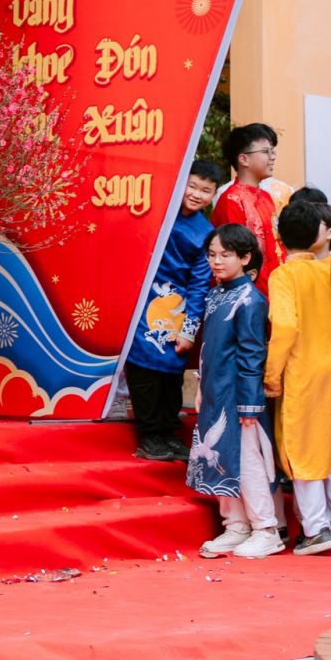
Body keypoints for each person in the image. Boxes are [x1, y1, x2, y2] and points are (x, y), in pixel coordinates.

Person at [264, 201, 331, 555]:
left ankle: (316, 529)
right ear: (318, 235)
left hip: (304, 369)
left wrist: (272, 375)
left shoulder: (284, 275)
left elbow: (286, 328)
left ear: (279, 237)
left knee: (304, 447)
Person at [189, 224, 282, 559]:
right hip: (214, 391)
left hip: (238, 395)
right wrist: (201, 386)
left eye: (226, 255)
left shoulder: (251, 300)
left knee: (247, 461)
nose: (217, 261)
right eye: (212, 255)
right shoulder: (215, 294)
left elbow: (252, 354)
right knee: (221, 459)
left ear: (245, 258)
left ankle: (266, 529)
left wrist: (250, 404)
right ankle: (236, 526)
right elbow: (208, 349)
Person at [126, 161, 221, 460]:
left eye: (205, 190)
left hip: (177, 307)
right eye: (192, 186)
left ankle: (167, 433)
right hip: (141, 300)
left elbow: (199, 284)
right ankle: (150, 435)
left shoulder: (206, 233)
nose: (196, 194)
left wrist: (189, 330)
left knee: (171, 370)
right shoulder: (154, 211)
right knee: (143, 366)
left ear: (213, 195)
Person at [213, 123, 287, 297]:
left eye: (273, 151)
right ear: (244, 159)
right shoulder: (232, 200)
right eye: (266, 151)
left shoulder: (267, 197)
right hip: (249, 295)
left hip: (274, 288)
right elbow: (231, 255)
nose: (273, 157)